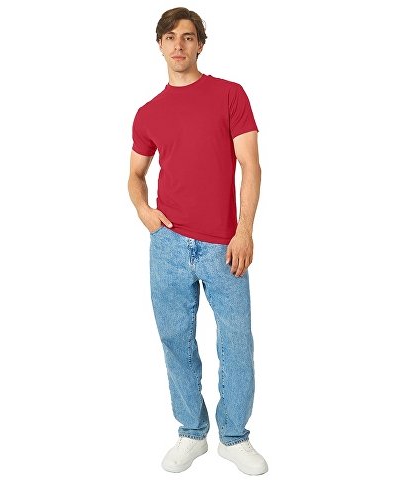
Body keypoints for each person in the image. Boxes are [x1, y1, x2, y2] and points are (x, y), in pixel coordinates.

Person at [127, 7, 268, 476]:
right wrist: (145, 211)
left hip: (224, 244)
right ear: (160, 45)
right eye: (170, 37)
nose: (179, 45)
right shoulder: (148, 113)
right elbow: (135, 175)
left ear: (200, 44)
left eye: (188, 37)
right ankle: (192, 432)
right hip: (168, 245)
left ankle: (234, 437)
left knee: (236, 343)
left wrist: (244, 230)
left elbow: (251, 165)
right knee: (176, 341)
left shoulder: (229, 95)